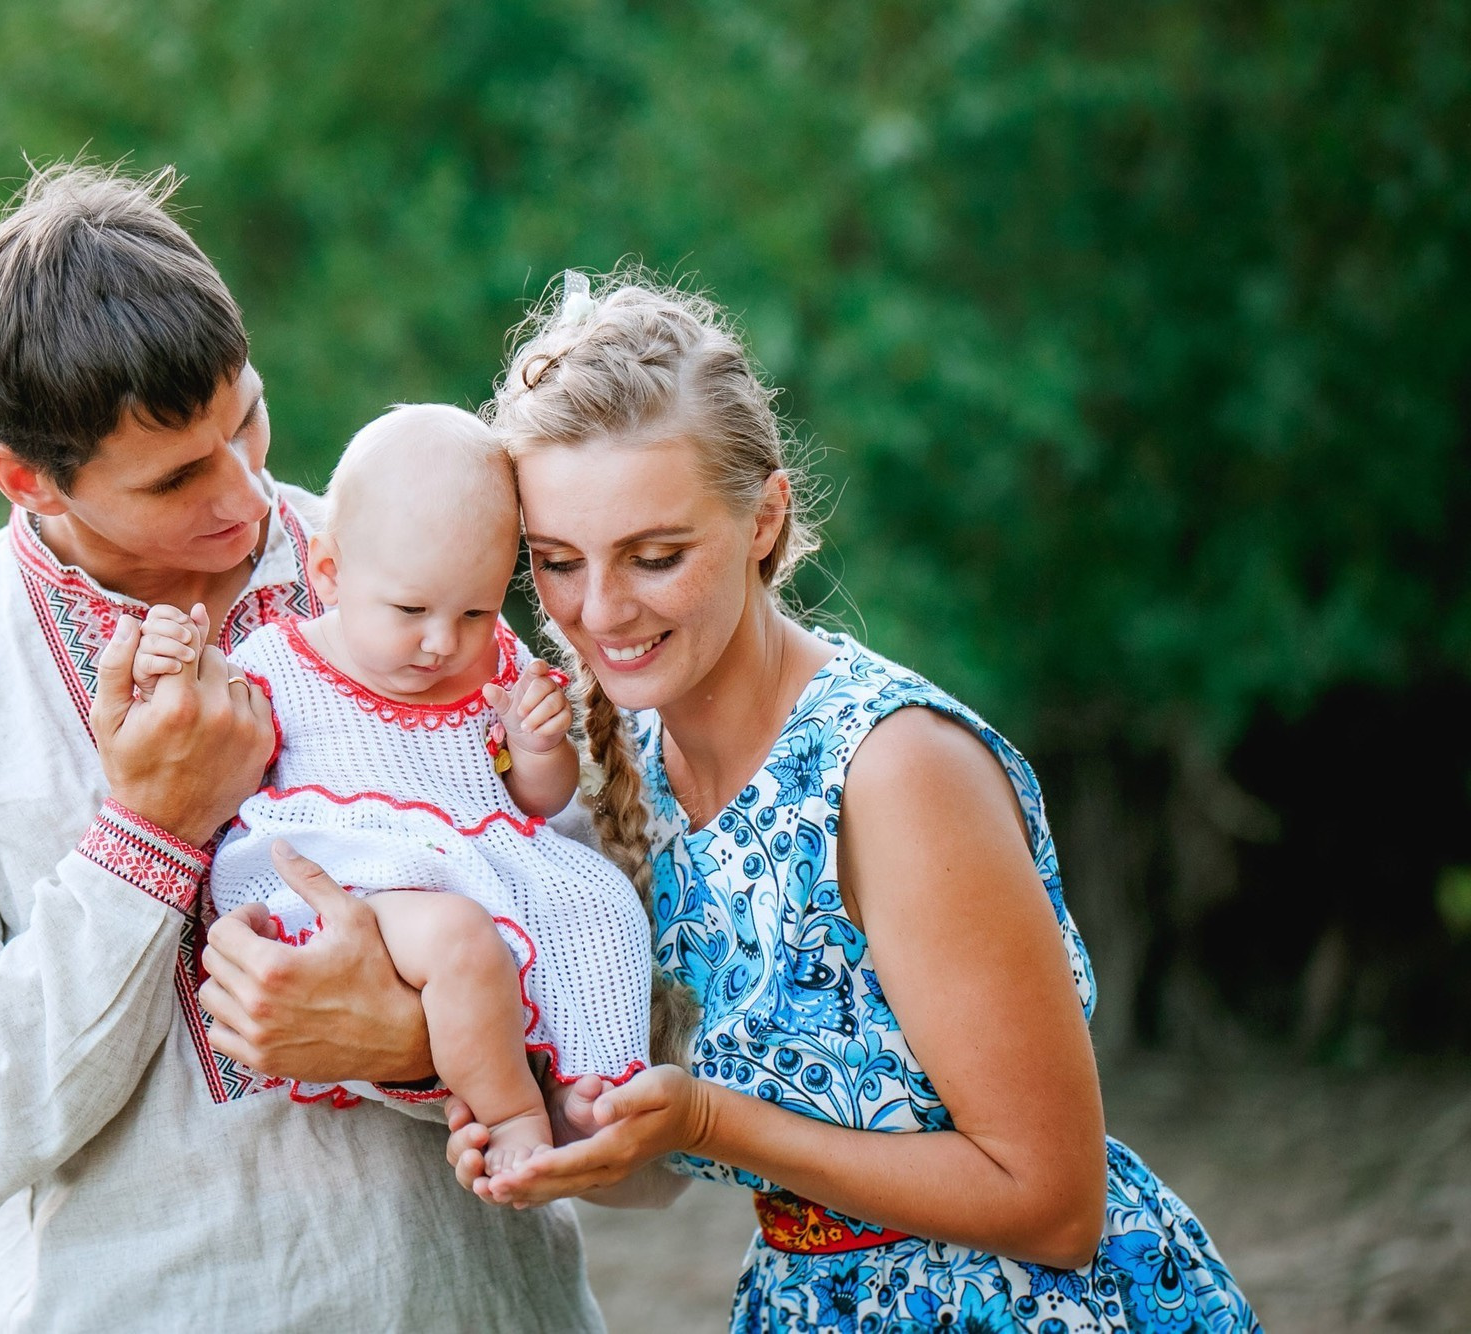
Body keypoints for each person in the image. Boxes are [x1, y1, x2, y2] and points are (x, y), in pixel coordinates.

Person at [0, 164, 603, 1331]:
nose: (247, 495)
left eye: (249, 419)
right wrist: (146, 837)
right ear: (25, 480)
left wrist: (418, 1040)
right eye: (177, 475)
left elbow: (630, 1028)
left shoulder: (425, 587)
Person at [447, 273, 1262, 1332]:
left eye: (655, 555)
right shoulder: (622, 772)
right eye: (556, 562)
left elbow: (1053, 1202)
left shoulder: (890, 770)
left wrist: (708, 1116)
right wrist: (551, 1133)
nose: (599, 609)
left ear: (763, 515)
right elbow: (662, 1154)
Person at [134, 403, 652, 1169]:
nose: (443, 643)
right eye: (411, 610)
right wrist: (170, 661)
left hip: (473, 865)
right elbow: (202, 736)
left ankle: (595, 1077)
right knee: (458, 942)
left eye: (476, 611)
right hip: (349, 881)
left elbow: (538, 800)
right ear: (330, 572)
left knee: (600, 903)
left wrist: (535, 743)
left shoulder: (492, 670)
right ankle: (512, 1118)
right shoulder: (281, 660)